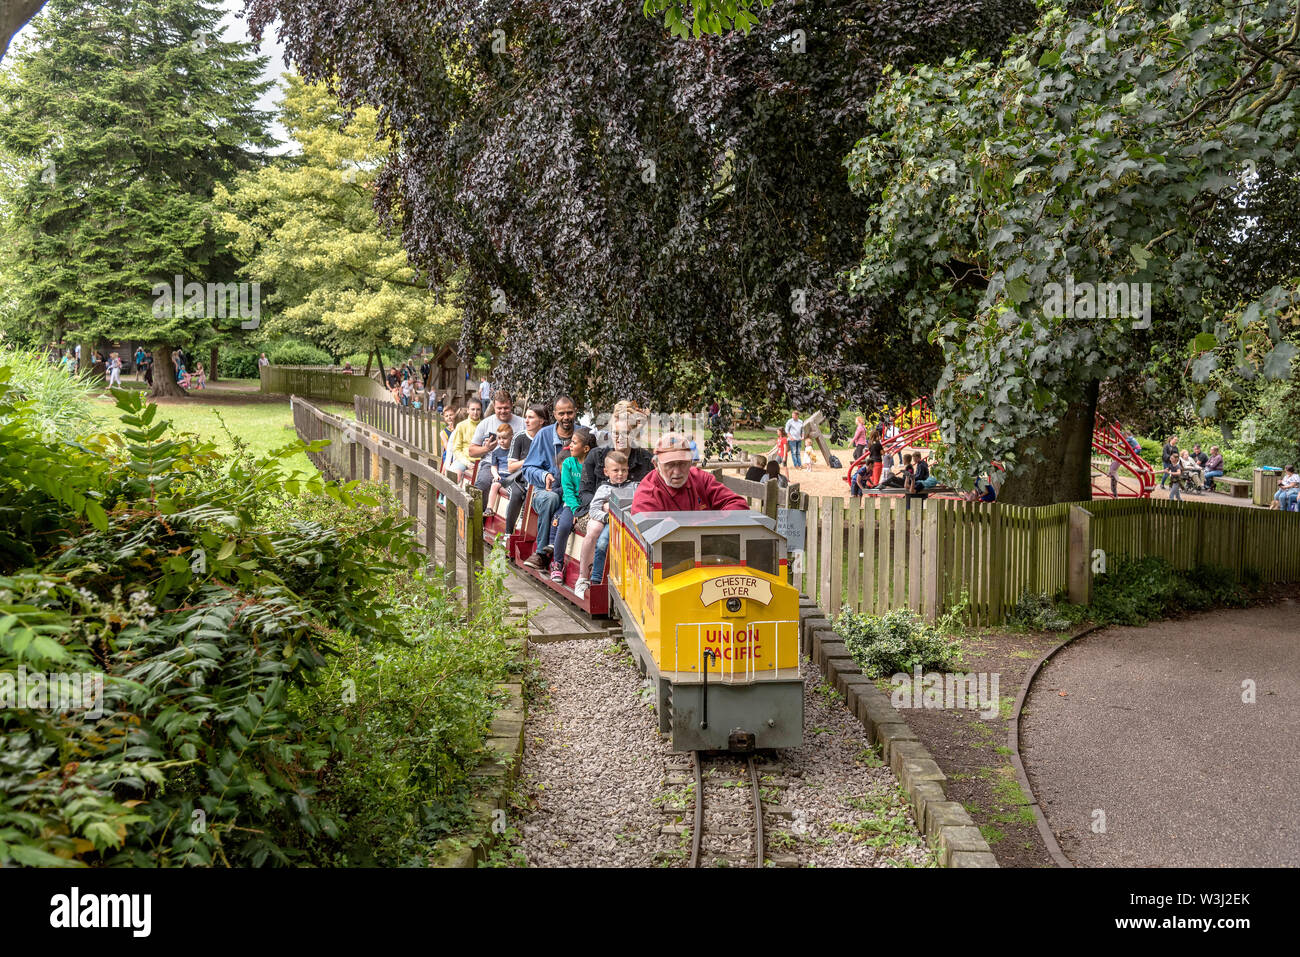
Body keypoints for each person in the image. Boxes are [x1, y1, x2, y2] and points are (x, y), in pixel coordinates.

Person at [520, 396, 579, 569]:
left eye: (569, 412)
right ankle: (541, 554)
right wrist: (544, 475)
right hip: (546, 490)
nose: (566, 417)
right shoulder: (543, 435)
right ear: (554, 414)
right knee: (551, 497)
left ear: (575, 412)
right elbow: (527, 468)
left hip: (574, 492)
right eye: (561, 413)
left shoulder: (583, 435)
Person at [575, 450, 640, 599]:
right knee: (603, 542)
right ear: (606, 472)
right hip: (612, 523)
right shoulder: (604, 489)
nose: (620, 474)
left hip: (630, 523)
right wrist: (606, 518)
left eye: (623, 470)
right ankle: (596, 577)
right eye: (615, 470)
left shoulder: (634, 487)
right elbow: (594, 509)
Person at [631, 433, 749, 513]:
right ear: (656, 465)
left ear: (691, 462)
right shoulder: (647, 494)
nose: (677, 472)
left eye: (682, 463)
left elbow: (738, 505)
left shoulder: (701, 478)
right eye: (670, 465)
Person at [545, 428, 594, 582]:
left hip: (589, 506)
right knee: (564, 525)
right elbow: (568, 490)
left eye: (574, 443)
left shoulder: (592, 464)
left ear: (586, 449)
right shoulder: (568, 463)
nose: (569, 446)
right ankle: (557, 563)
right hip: (572, 505)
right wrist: (575, 511)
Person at [503, 403, 548, 534]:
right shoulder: (520, 437)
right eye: (526, 417)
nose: (526, 420)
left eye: (531, 417)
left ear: (541, 421)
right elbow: (511, 467)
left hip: (538, 478)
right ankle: (508, 532)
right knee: (517, 494)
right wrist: (528, 461)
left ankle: (534, 530)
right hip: (518, 478)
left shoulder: (547, 438)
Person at [480, 423, 514, 516]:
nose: (501, 441)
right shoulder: (496, 452)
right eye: (499, 438)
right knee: (494, 485)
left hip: (512, 478)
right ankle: (489, 508)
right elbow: (494, 466)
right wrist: (496, 475)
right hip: (501, 477)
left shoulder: (514, 451)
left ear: (511, 437)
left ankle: (509, 512)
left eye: (504, 438)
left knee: (513, 492)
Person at [447, 396, 484, 480]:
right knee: (453, 475)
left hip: (480, 462)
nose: (475, 412)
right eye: (473, 409)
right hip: (464, 460)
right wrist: (467, 463)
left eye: (478, 409)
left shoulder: (484, 425)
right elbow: (456, 449)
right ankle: (445, 493)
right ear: (468, 410)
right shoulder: (461, 426)